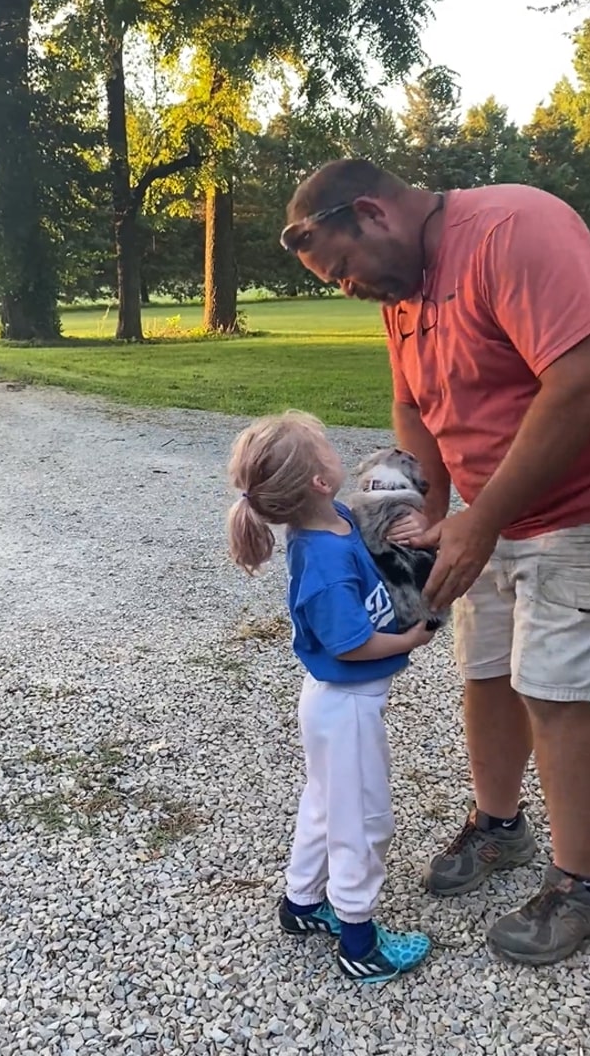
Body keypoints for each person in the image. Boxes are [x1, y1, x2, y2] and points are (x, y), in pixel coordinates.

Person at [279, 158, 590, 966]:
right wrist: (415, 524)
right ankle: (499, 825)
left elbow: (580, 378)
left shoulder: (512, 229)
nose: (346, 287)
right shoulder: (404, 291)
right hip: (486, 518)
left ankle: (579, 878)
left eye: (342, 268)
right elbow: (412, 405)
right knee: (484, 670)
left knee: (555, 691)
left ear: (374, 213)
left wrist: (479, 520)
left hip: (573, 514)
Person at [227, 410, 435, 982]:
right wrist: (411, 636)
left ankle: (301, 904)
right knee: (362, 819)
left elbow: (367, 547)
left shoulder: (335, 522)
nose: (335, 452)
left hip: (336, 704)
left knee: (325, 804)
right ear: (320, 481)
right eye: (325, 449)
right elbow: (350, 644)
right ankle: (359, 939)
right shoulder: (320, 560)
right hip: (346, 705)